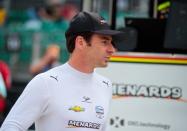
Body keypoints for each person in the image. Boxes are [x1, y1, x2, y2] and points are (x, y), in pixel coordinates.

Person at [0, 11, 123, 131]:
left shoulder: (105, 85)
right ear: (80, 42)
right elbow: (11, 126)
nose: (112, 49)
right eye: (104, 42)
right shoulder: (45, 82)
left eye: (111, 42)